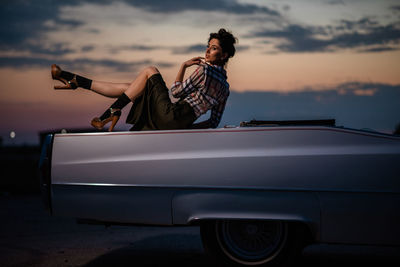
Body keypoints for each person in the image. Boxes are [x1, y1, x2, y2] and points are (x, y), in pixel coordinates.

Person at [51, 28, 237, 131]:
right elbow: (213, 123)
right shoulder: (225, 88)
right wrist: (185, 129)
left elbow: (176, 92)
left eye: (213, 48)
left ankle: (110, 113)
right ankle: (77, 81)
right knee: (133, 88)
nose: (207, 50)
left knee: (150, 70)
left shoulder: (204, 71)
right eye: (208, 46)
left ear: (224, 54)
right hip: (177, 123)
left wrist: (183, 66)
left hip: (171, 114)